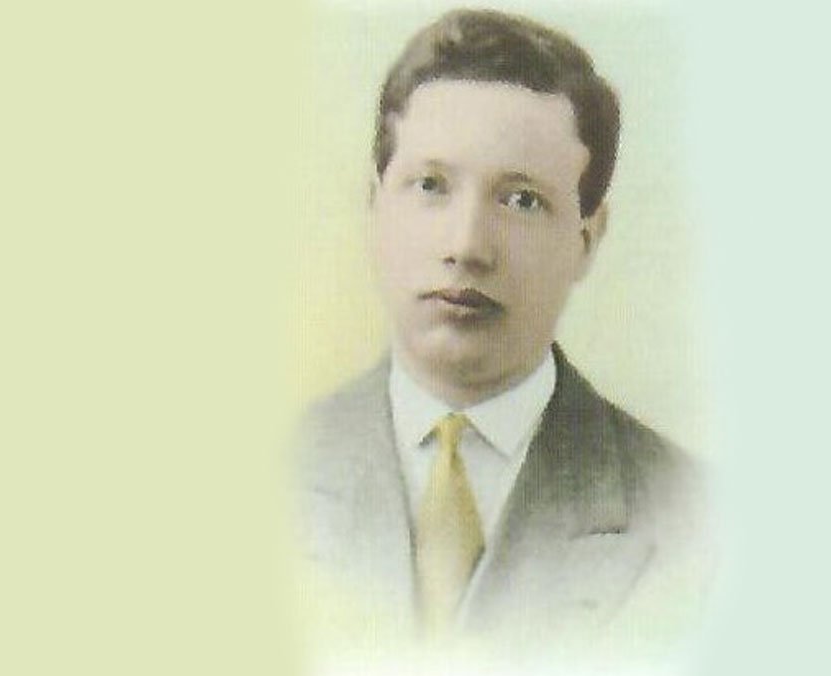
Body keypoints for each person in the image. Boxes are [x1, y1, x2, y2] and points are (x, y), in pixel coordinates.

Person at [295, 8, 708, 657]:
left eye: (521, 200)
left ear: (585, 240)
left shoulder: (696, 521)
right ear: (376, 206)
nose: (466, 246)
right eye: (431, 185)